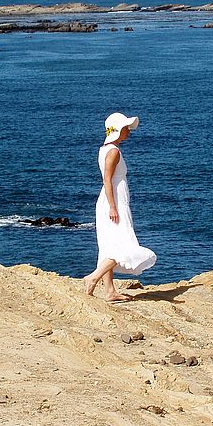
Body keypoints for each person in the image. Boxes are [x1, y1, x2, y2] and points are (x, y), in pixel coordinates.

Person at [83, 112, 157, 302]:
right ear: (117, 131)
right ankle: (92, 278)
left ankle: (109, 291)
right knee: (123, 244)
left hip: (111, 201)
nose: (129, 132)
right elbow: (107, 179)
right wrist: (113, 207)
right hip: (114, 201)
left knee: (109, 246)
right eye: (125, 128)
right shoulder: (114, 151)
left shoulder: (106, 148)